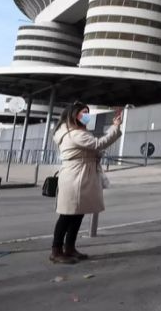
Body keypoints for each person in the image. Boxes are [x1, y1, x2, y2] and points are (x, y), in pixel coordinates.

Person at [49, 102, 122, 264]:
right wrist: (115, 127)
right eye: (84, 112)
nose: (87, 115)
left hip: (79, 174)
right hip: (76, 176)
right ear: (74, 115)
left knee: (77, 213)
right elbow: (98, 144)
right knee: (67, 215)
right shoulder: (75, 134)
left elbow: (91, 149)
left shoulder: (71, 132)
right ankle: (56, 250)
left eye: (88, 112)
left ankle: (69, 248)